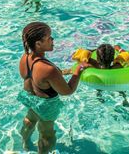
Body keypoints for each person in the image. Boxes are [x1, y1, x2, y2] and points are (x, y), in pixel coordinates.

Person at [18, 22, 88, 153]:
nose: (52, 40)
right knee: (47, 134)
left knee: (30, 120)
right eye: (49, 37)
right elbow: (67, 91)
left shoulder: (25, 58)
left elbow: (39, 77)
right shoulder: (48, 69)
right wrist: (79, 70)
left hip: (29, 97)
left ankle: (25, 143)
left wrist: (65, 71)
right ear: (38, 43)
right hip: (46, 105)